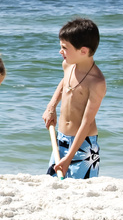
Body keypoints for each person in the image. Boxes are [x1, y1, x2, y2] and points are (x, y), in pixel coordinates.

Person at [42, 17, 106, 178]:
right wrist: (51, 107)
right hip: (61, 138)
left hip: (83, 145)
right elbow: (64, 83)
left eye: (64, 47)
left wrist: (69, 158)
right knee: (54, 183)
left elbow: (86, 122)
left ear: (83, 51)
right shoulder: (68, 65)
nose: (60, 51)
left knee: (81, 189)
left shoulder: (96, 82)